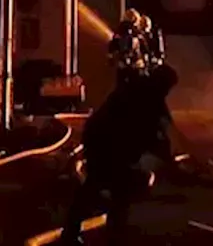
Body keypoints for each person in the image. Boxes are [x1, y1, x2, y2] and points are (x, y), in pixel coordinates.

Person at [59, 60, 179, 245]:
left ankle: (84, 233)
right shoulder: (144, 97)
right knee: (108, 188)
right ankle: (98, 235)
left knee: (105, 188)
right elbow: (151, 130)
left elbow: (161, 126)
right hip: (105, 144)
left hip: (104, 142)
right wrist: (167, 157)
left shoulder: (141, 91)